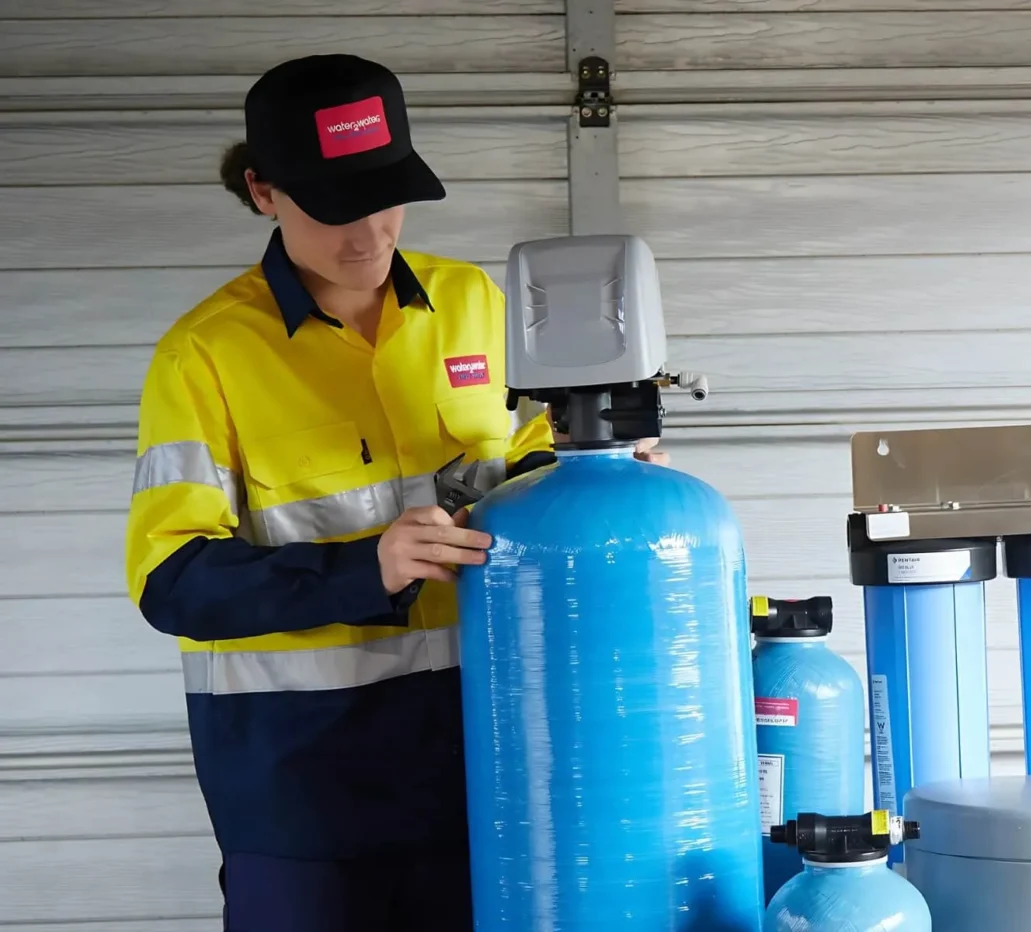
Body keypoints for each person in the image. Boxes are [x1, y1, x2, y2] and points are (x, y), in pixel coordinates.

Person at [124, 53, 666, 932]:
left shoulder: (474, 303)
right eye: (333, 208)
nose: (368, 235)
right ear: (263, 192)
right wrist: (364, 568)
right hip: (305, 791)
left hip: (491, 755)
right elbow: (173, 582)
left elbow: (535, 463)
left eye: (385, 197)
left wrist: (603, 474)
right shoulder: (204, 356)